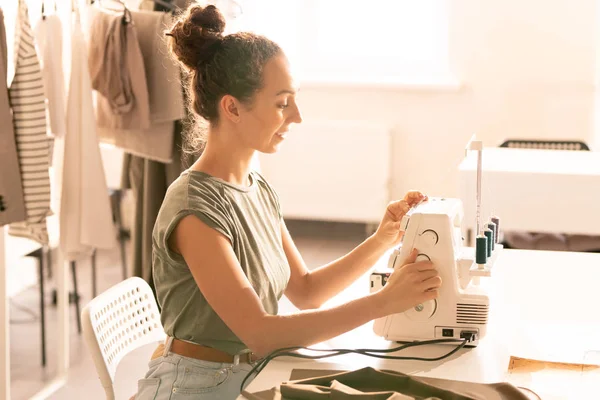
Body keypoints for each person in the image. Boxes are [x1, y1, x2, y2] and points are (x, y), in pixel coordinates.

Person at [134, 4, 441, 400]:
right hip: (198, 386)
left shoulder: (255, 186)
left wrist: (383, 238)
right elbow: (261, 333)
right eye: (282, 103)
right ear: (232, 108)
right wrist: (384, 302)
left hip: (254, 375)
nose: (296, 117)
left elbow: (306, 290)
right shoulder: (195, 208)